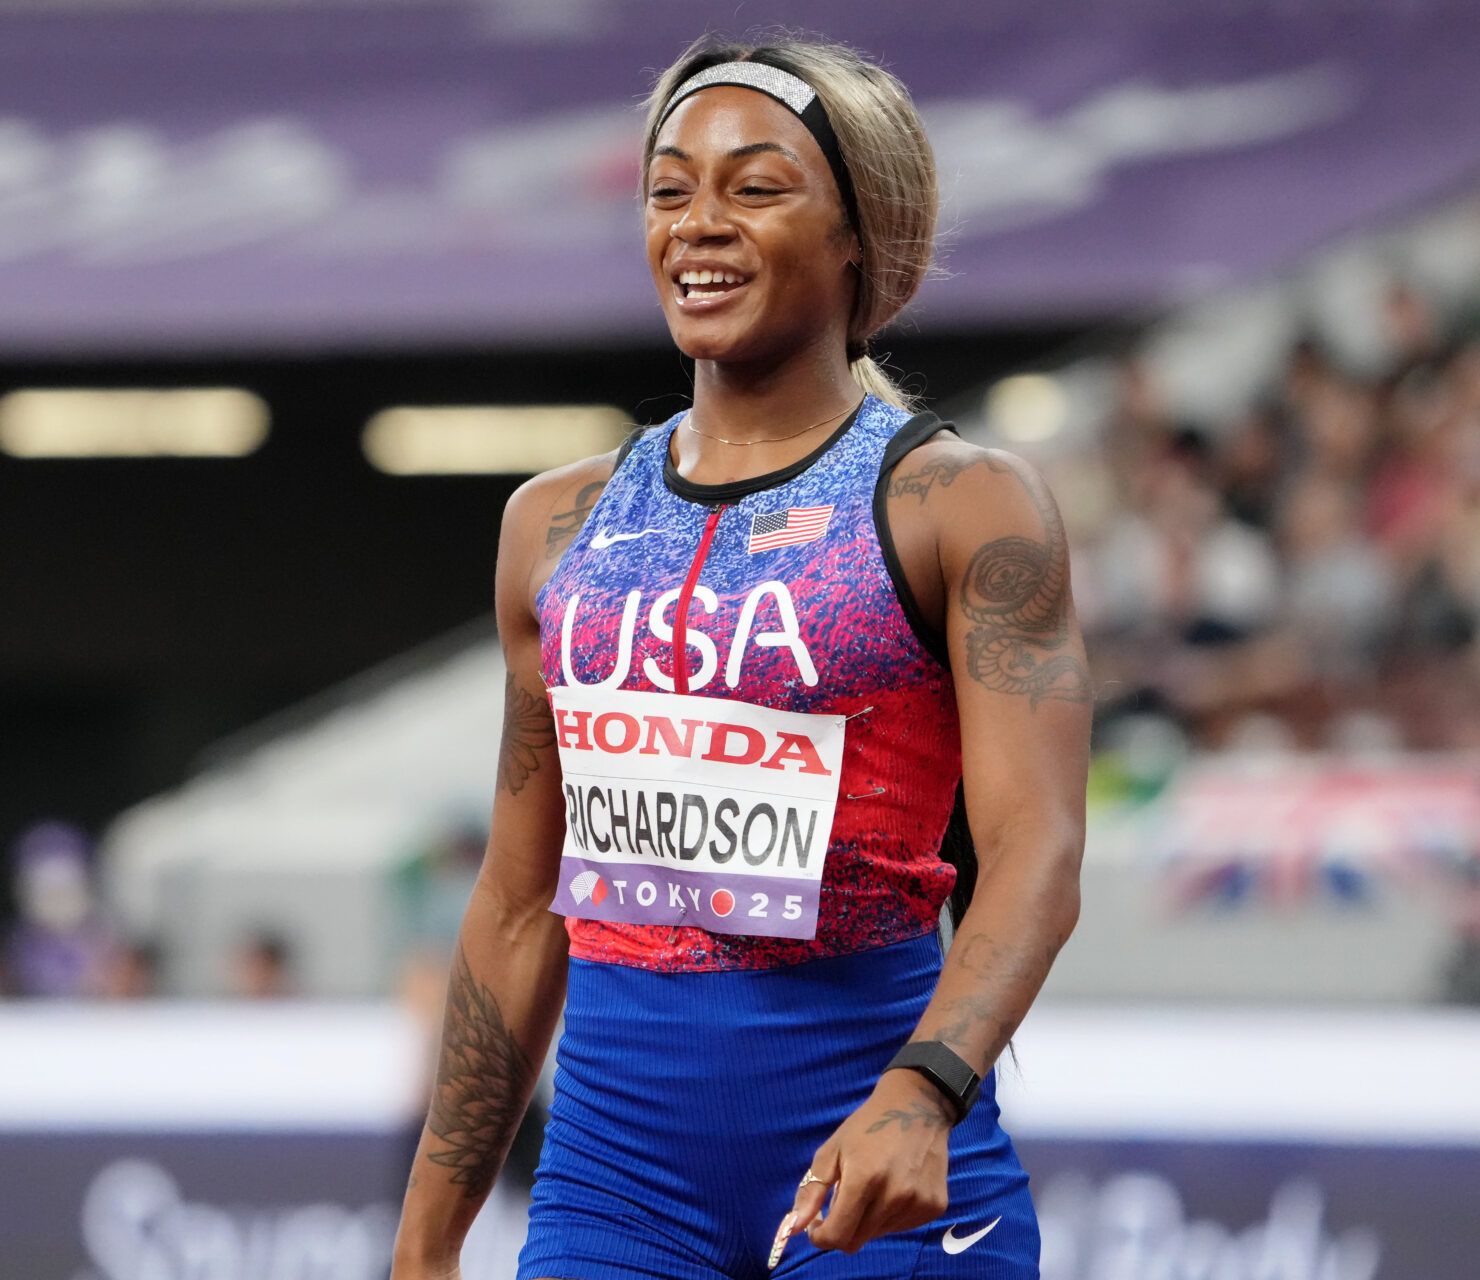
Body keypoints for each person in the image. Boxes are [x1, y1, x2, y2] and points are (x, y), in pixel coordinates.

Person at [393, 32, 1090, 1280]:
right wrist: (424, 1244)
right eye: (670, 191)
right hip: (612, 1190)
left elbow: (1037, 849)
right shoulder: (551, 529)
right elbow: (513, 904)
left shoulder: (960, 505)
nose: (699, 225)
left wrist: (925, 1090)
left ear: (861, 235)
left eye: (755, 187)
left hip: (878, 1176)